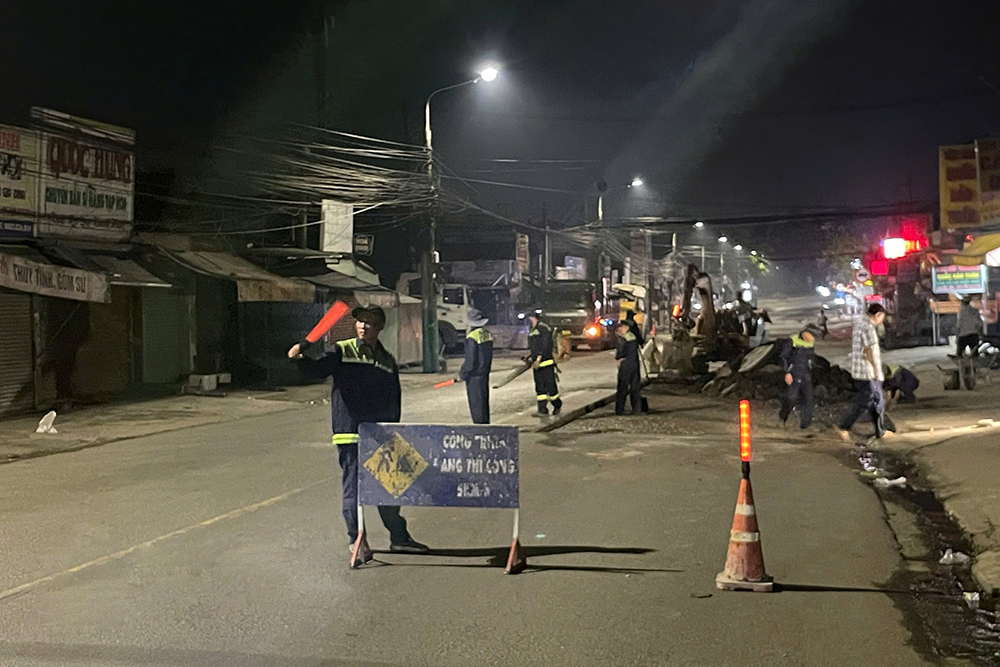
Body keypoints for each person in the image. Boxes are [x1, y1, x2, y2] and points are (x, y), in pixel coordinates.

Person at [288, 305, 427, 560]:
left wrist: (392, 430)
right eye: (360, 321)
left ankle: (399, 537)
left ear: (380, 327)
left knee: (390, 488)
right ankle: (357, 540)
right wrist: (300, 357)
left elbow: (394, 399)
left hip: (381, 434)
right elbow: (316, 369)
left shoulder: (387, 360)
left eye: (370, 322)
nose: (363, 326)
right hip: (351, 432)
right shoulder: (343, 350)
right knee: (354, 489)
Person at [838, 303, 890, 442]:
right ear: (878, 314)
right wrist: (875, 371)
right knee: (868, 401)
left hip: (859, 371)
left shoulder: (859, 323)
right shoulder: (868, 328)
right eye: (882, 317)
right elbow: (869, 351)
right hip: (868, 372)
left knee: (876, 401)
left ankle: (880, 430)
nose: (882, 321)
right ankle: (844, 426)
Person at [459, 309, 493, 424]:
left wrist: (463, 374)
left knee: (476, 405)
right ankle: (486, 425)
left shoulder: (472, 337)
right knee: (484, 402)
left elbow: (470, 360)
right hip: (484, 374)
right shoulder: (487, 334)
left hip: (474, 377)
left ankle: (480, 428)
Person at [779, 327, 817, 429]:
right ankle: (783, 416)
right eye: (811, 336)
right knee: (791, 398)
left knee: (808, 400)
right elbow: (784, 357)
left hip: (806, 374)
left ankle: (805, 425)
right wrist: (787, 372)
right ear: (805, 333)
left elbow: (811, 358)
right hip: (794, 374)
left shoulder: (810, 343)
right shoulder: (792, 341)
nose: (812, 339)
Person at [528, 311, 561, 416]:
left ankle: (557, 404)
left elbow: (545, 345)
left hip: (546, 362)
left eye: (530, 317)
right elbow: (534, 346)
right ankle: (542, 409)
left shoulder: (543, 328)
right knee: (540, 387)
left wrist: (538, 358)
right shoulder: (532, 329)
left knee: (550, 386)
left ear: (534, 318)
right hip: (537, 364)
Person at [615, 320, 643, 415]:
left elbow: (620, 353)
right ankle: (637, 409)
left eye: (621, 327)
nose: (619, 329)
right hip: (635, 364)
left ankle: (620, 409)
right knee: (635, 388)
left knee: (622, 388)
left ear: (626, 328)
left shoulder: (623, 339)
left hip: (626, 365)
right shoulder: (633, 337)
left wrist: (618, 357)